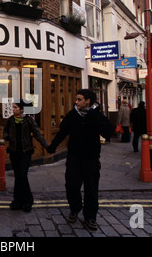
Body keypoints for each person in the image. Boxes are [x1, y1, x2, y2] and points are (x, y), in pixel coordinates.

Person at [47, 89, 111, 231]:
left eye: (79, 99)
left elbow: (108, 132)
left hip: (91, 158)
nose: (76, 102)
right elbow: (62, 132)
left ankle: (90, 217)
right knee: (71, 185)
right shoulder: (72, 115)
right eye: (76, 99)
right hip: (74, 157)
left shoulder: (96, 115)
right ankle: (75, 209)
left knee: (91, 188)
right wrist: (53, 147)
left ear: (87, 101)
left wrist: (95, 117)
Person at [3, 100, 49, 213]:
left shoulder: (29, 121)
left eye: (15, 107)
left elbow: (37, 134)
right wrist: (7, 137)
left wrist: (47, 146)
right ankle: (18, 202)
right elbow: (5, 131)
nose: (13, 109)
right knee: (18, 177)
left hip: (25, 152)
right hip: (14, 152)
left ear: (21, 109)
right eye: (13, 107)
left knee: (22, 176)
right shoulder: (11, 120)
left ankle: (28, 201)